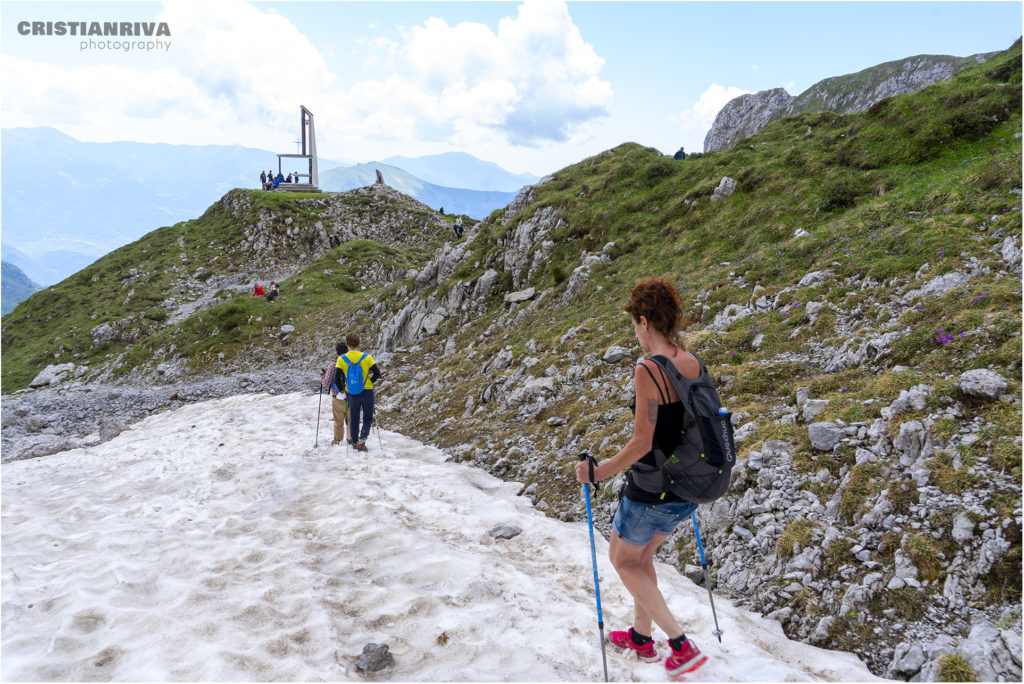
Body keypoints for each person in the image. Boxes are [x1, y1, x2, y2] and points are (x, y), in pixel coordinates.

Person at [573, 277, 709, 679]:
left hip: (653, 489)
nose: (634, 331)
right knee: (642, 557)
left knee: (623, 560)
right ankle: (640, 637)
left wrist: (596, 473)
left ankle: (681, 644)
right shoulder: (692, 361)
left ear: (645, 321)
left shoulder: (649, 368)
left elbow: (641, 442)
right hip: (689, 487)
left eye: (635, 323)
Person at [335, 332, 381, 451]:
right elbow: (377, 373)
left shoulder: (341, 359)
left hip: (351, 392)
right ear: (359, 343)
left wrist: (342, 391)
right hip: (367, 391)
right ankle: (362, 441)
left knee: (354, 419)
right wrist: (370, 382)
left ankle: (354, 443)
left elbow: (336, 378)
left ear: (347, 344)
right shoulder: (367, 357)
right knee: (367, 418)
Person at [330, 341, 350, 446]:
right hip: (351, 395)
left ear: (337, 352)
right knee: (351, 420)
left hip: (337, 396)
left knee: (338, 422)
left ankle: (338, 441)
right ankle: (352, 440)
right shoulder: (352, 361)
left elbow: (326, 382)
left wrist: (322, 376)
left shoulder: (333, 364)